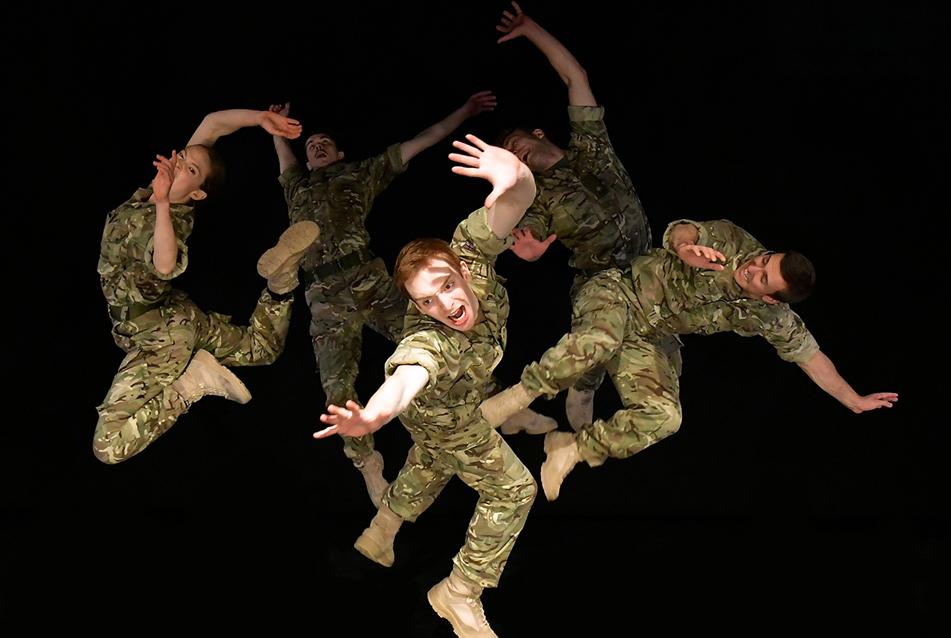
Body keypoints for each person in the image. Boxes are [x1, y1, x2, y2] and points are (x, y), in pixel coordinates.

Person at [480, 218, 898, 501]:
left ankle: (570, 449)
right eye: (762, 260)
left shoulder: (770, 317)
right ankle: (513, 400)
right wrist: (684, 247)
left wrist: (853, 399)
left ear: (771, 298)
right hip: (618, 292)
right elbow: (684, 229)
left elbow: (810, 356)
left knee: (666, 417)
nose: (752, 268)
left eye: (762, 278)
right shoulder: (733, 242)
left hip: (649, 337)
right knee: (600, 340)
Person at [270, 92, 550, 507]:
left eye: (325, 141)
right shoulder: (297, 186)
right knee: (336, 388)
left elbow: (421, 141)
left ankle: (501, 405)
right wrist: (277, 131)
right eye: (311, 144)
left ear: (340, 153)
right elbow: (285, 159)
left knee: (439, 335)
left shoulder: (359, 173)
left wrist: (466, 111)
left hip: (367, 278)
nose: (318, 145)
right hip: (324, 295)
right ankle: (367, 462)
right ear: (306, 159)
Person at [314, 134, 538, 638]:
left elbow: (520, 196)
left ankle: (380, 533)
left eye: (446, 286)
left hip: (450, 403)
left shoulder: (470, 251)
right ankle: (459, 591)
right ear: (416, 306)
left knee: (432, 463)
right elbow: (405, 379)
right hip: (439, 410)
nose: (445, 305)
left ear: (461, 269)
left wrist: (515, 174)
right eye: (427, 302)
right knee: (513, 489)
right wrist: (373, 417)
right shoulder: (427, 338)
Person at [94, 108, 316, 464]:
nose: (181, 166)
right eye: (181, 158)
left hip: (160, 338)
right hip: (177, 318)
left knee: (109, 446)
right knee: (262, 348)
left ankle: (192, 383)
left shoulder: (171, 219)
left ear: (196, 194)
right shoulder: (153, 193)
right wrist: (261, 119)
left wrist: (163, 202)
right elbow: (212, 125)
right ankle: (282, 282)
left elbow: (165, 264)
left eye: (191, 171)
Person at [495, 2, 653, 431]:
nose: (515, 153)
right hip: (599, 279)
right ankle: (583, 386)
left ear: (537, 133)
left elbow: (575, 76)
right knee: (597, 341)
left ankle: (595, 383)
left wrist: (530, 28)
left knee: (656, 345)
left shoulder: (590, 145)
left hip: (645, 263)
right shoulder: (538, 199)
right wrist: (528, 253)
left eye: (515, 143)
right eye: (509, 157)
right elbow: (525, 238)